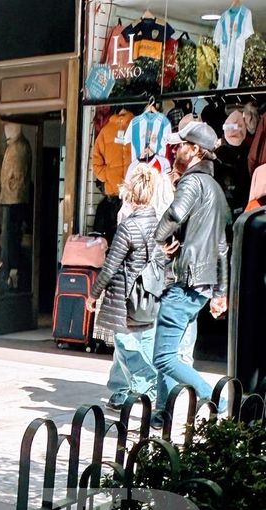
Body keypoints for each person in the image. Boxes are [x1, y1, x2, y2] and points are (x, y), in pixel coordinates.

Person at [152, 121, 229, 427]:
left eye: (181, 144)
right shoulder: (216, 189)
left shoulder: (191, 182)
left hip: (185, 282)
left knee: (163, 356)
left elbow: (175, 214)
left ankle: (217, 399)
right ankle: (163, 413)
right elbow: (222, 247)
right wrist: (220, 292)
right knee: (170, 352)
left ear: (195, 150)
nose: (176, 149)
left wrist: (158, 239)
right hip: (202, 286)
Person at [86, 165, 161, 409]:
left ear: (130, 193)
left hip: (125, 294)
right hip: (150, 294)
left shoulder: (128, 227)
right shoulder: (159, 224)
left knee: (124, 343)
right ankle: (123, 391)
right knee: (144, 341)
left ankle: (146, 383)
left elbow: (110, 267)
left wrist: (93, 295)